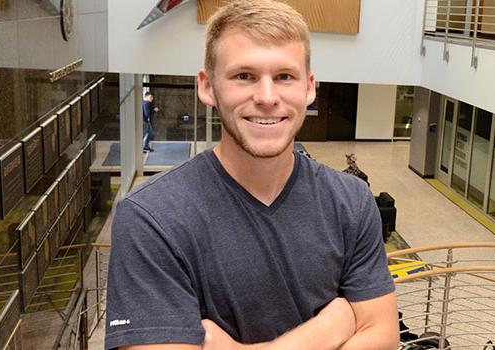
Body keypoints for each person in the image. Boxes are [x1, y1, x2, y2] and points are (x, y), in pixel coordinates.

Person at [104, 1, 398, 350]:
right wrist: (330, 328)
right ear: (208, 86)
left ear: (309, 88)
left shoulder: (350, 201)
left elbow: (382, 338)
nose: (267, 97)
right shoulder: (151, 217)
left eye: (284, 77)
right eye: (244, 76)